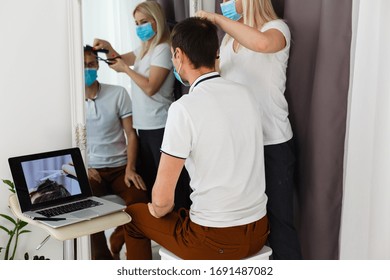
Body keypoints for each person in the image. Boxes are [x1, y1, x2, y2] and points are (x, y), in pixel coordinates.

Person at [122, 17, 269, 260]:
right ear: (215, 53)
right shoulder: (246, 95)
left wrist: (155, 210)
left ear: (178, 55)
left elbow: (161, 202)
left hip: (215, 240)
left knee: (133, 216)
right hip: (259, 231)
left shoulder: (184, 108)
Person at [196, 0, 302, 259]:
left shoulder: (277, 29)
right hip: (240, 147)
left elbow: (263, 44)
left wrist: (218, 20)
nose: (224, 4)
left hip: (272, 143)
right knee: (248, 225)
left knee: (279, 224)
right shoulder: (226, 42)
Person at [92, 1, 191, 211]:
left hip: (160, 126)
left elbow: (150, 87)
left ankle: (181, 224)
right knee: (152, 182)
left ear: (157, 21)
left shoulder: (163, 49)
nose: (139, 27)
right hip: (145, 127)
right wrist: (108, 48)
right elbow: (120, 59)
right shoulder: (146, 48)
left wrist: (126, 70)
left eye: (144, 22)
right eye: (136, 23)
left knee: (171, 185)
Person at [83, 46, 149, 260]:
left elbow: (131, 134)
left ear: (98, 66)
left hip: (121, 167)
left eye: (92, 64)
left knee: (139, 198)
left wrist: (130, 168)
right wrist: (84, 168)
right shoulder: (70, 103)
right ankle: (103, 262)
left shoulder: (117, 94)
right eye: (84, 65)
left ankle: (138, 265)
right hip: (92, 171)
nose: (88, 68)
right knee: (85, 204)